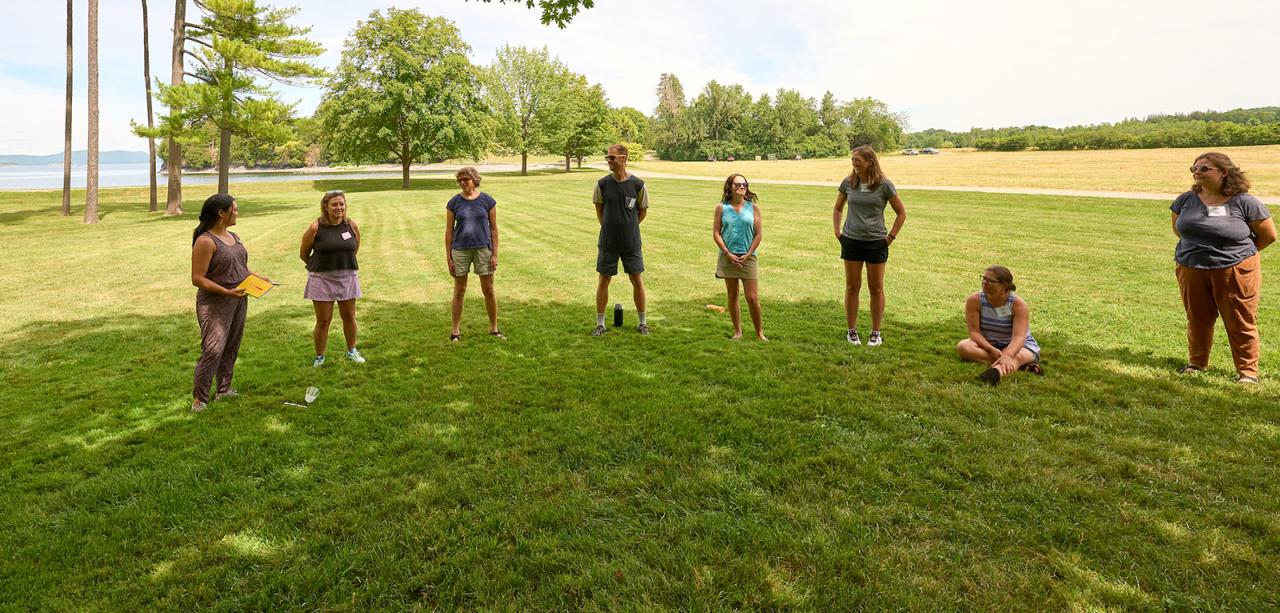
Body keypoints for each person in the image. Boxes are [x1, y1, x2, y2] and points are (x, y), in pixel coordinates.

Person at [1171, 152, 1276, 384]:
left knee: (1239, 319)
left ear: (1224, 172)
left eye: (1204, 168)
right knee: (1197, 317)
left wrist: (1239, 256)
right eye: (1194, 169)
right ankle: (1196, 363)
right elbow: (1179, 229)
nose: (1197, 172)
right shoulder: (1185, 200)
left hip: (1234, 270)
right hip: (1191, 267)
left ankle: (1247, 373)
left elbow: (1268, 236)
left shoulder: (1245, 202)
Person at [190, 194, 267, 412]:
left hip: (238, 298)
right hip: (215, 303)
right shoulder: (206, 241)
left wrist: (260, 278)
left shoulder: (234, 236)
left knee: (232, 344)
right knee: (213, 349)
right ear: (221, 213)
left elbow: (241, 267)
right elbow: (198, 278)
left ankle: (224, 390)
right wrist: (226, 291)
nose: (238, 212)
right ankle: (200, 399)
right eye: (234, 209)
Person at [832, 145, 906, 347]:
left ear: (870, 162)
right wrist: (838, 231)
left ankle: (875, 332)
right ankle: (852, 331)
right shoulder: (848, 183)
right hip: (852, 241)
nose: (854, 164)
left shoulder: (884, 185)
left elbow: (901, 213)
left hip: (876, 243)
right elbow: (838, 208)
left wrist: (890, 237)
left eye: (858, 160)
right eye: (852, 160)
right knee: (852, 286)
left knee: (876, 288)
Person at [300, 189, 364, 367]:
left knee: (349, 317)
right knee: (323, 321)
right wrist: (320, 267)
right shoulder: (316, 227)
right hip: (321, 279)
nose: (339, 208)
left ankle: (352, 350)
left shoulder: (351, 225)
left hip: (347, 276)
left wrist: (342, 261)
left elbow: (355, 247)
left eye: (341, 204)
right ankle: (319, 357)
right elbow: (304, 253)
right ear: (325, 207)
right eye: (334, 204)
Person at [592, 144, 650, 335]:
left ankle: (642, 323)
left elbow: (642, 212)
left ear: (623, 158)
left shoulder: (638, 185)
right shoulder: (602, 184)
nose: (608, 161)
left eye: (612, 158)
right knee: (604, 280)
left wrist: (629, 226)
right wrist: (610, 228)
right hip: (608, 242)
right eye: (607, 157)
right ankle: (600, 324)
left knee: (637, 280)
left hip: (631, 243)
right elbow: (600, 212)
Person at [956, 266, 1043, 386]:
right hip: (990, 344)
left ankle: (996, 373)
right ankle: (1020, 366)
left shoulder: (1018, 304)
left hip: (1018, 346)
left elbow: (1019, 337)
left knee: (1018, 356)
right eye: (983, 278)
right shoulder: (974, 300)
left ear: (1004, 285)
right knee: (963, 347)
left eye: (990, 281)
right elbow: (974, 333)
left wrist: (1008, 354)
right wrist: (991, 349)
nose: (984, 282)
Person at [445, 167, 503, 342]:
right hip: (460, 249)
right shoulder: (453, 203)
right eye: (460, 180)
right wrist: (449, 257)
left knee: (489, 290)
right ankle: (455, 331)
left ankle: (494, 328)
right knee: (459, 290)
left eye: (466, 179)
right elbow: (448, 231)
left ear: (474, 180)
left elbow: (493, 229)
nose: (463, 182)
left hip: (483, 248)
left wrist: (494, 254)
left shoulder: (487, 201)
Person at [713, 174, 765, 340]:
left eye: (744, 184)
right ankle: (738, 332)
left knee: (752, 297)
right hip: (728, 257)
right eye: (737, 184)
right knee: (732, 295)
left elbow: (758, 235)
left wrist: (749, 254)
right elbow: (716, 233)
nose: (741, 187)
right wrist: (728, 254)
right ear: (730, 187)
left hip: (748, 257)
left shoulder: (753, 208)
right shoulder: (721, 208)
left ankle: (759, 334)